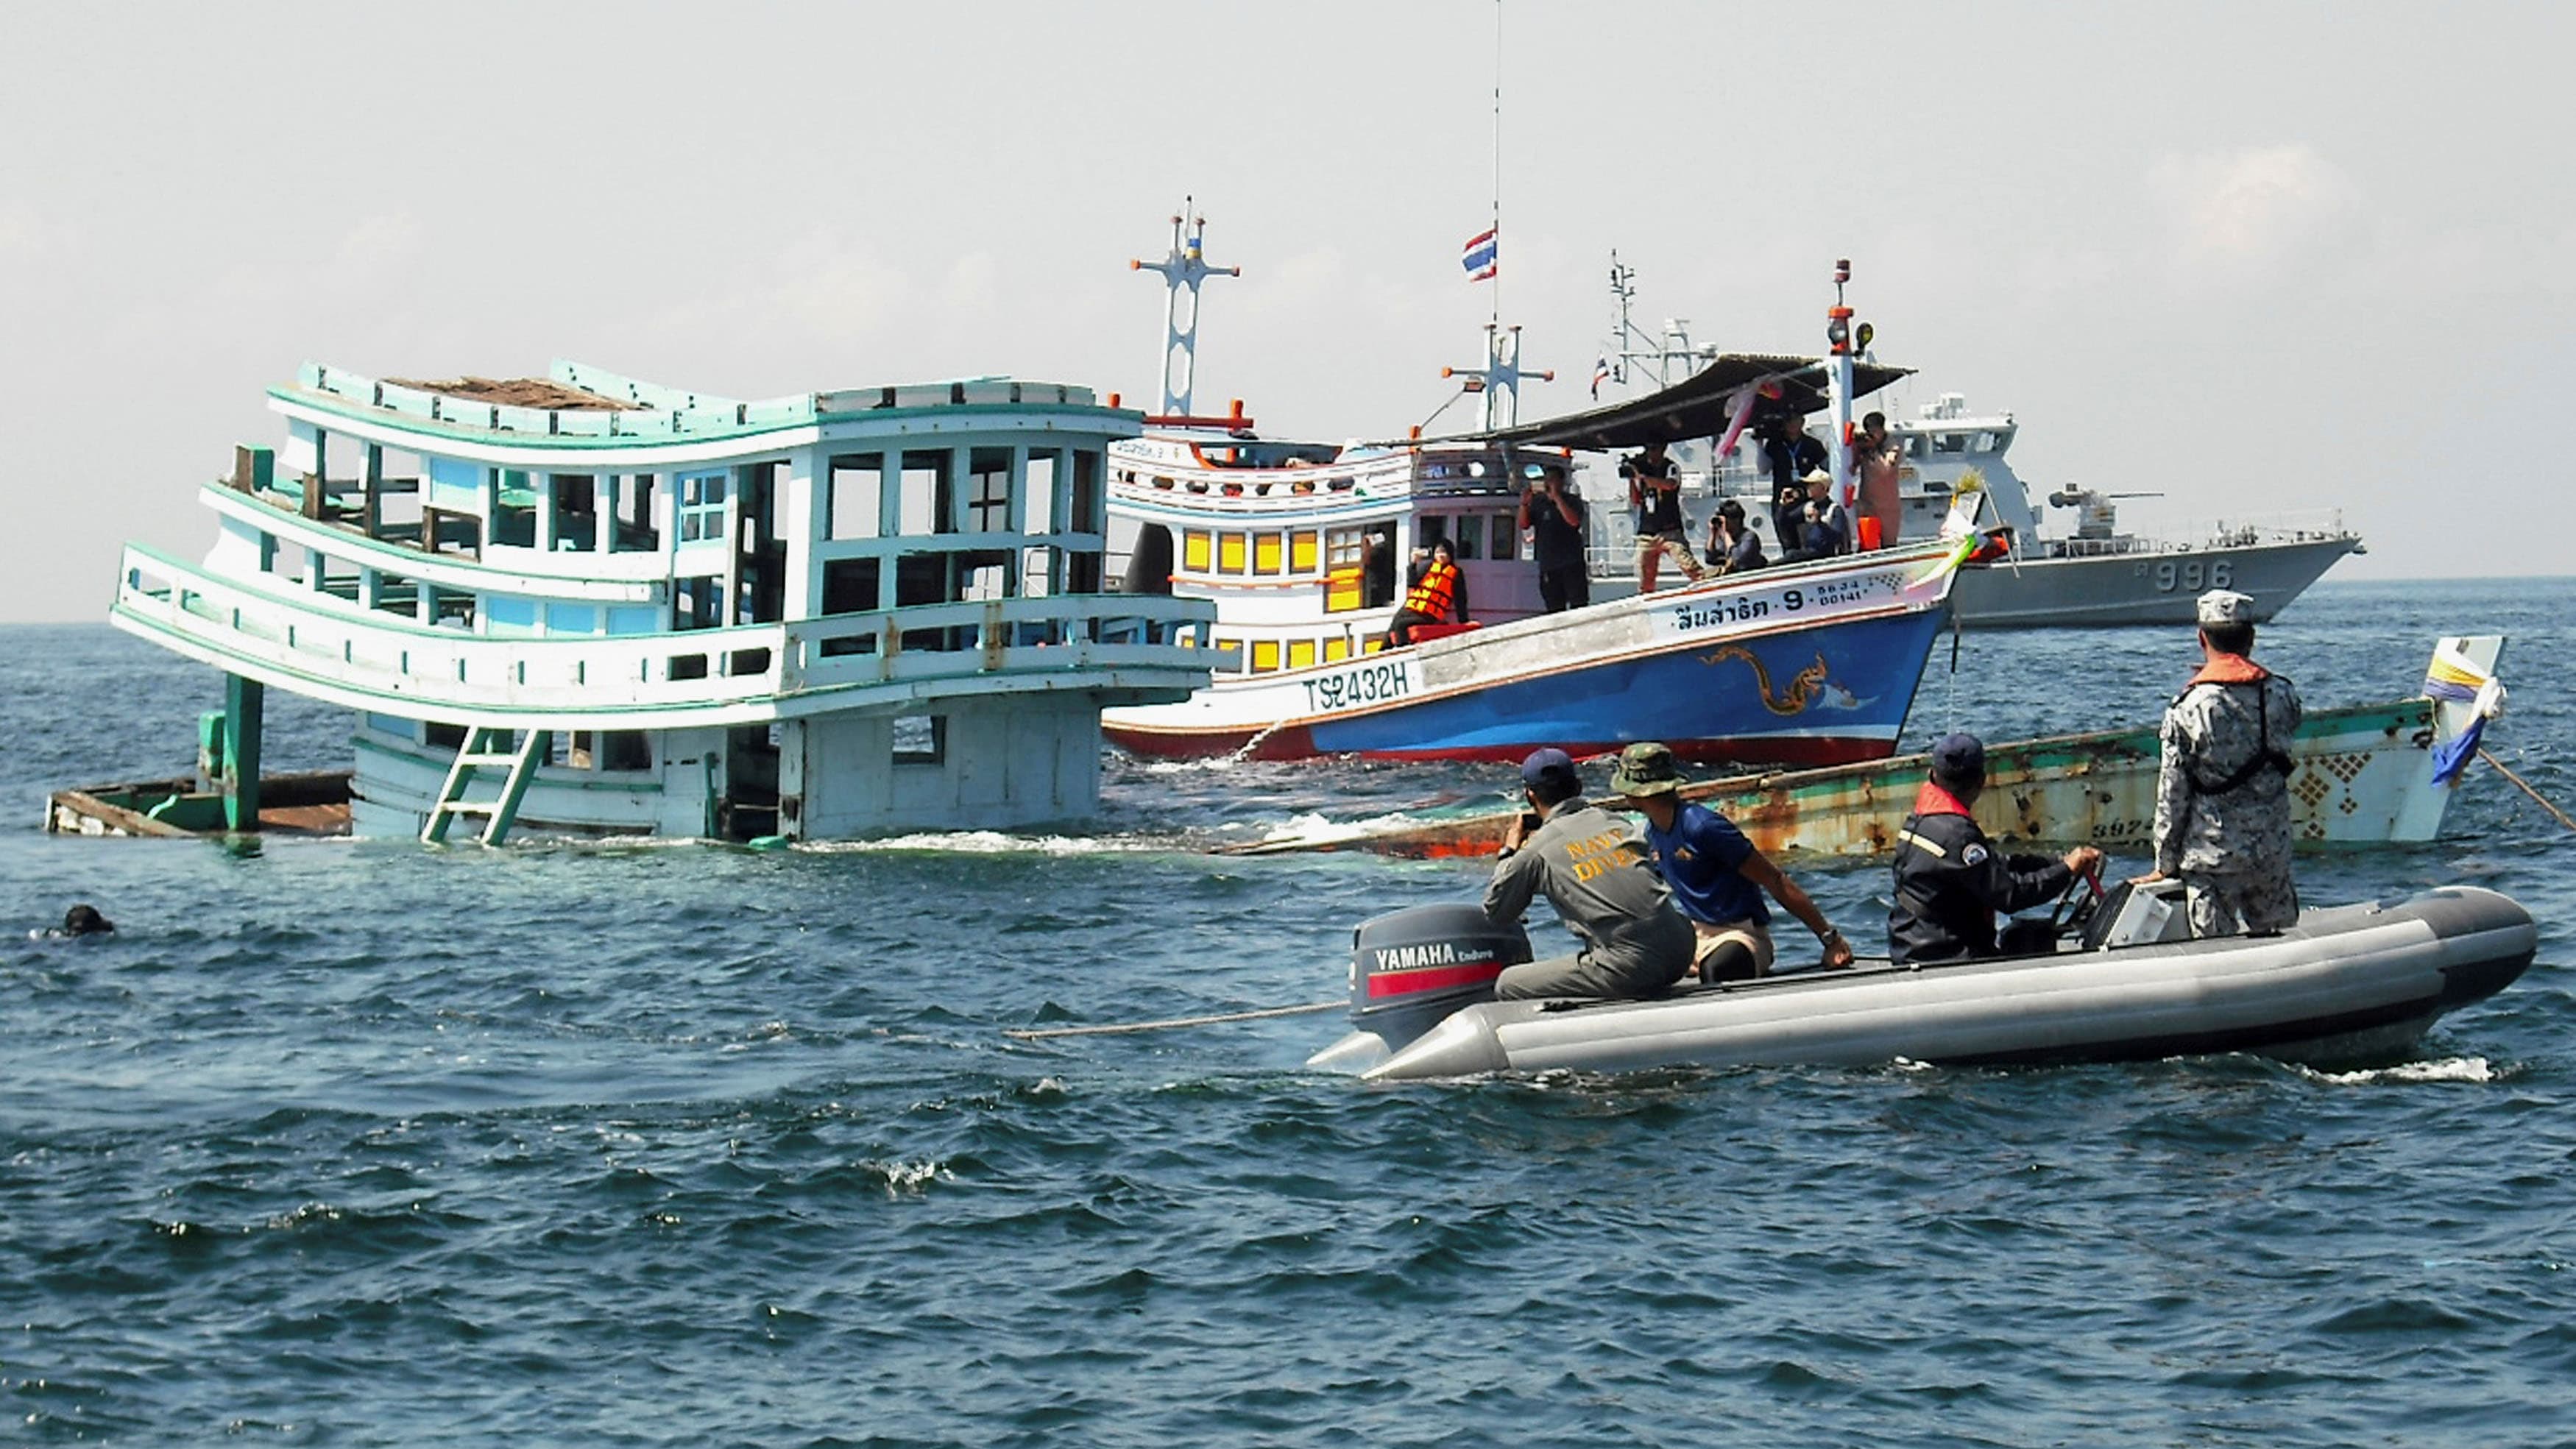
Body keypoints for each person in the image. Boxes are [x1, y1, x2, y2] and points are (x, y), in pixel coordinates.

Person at [1610, 741, 1854, 982]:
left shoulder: (1703, 827)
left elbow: (1774, 879)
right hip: (1694, 936)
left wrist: (1830, 940)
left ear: (1635, 792)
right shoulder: (1653, 833)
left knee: (1716, 971)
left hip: (1740, 934)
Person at [2136, 589, 2303, 936]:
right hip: (2271, 850)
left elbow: (2173, 793)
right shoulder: (2282, 694)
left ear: (2202, 638)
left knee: (2215, 949)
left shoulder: (2189, 707)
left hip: (2212, 856)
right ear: (2251, 638)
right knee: (2280, 943)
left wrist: (2165, 863)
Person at [1485, 748, 1696, 1000]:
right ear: (1578, 786)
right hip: (1683, 948)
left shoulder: (1535, 851)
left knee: (1508, 983)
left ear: (1530, 795)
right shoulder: (1615, 822)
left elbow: (1497, 912)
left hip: (1632, 967)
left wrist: (1509, 852)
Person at [1888, 732, 2103, 966]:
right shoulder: (1958, 834)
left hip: (1911, 945)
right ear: (1981, 782)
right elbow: (2010, 895)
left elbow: (1996, 865)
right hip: (1944, 956)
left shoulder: (1922, 820)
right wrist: (2067, 870)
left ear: (1932, 774)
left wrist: (2059, 862)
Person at [1623, 440, 1707, 591]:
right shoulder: (1643, 471)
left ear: (1663, 449)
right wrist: (1632, 479)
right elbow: (1635, 500)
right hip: (1647, 532)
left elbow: (1670, 484)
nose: (1650, 453)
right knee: (1645, 578)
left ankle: (1708, 588)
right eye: (1647, 449)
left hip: (1670, 531)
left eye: (1653, 448)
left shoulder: (1671, 467)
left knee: (1690, 567)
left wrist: (1643, 478)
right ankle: (1647, 600)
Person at [1516, 463, 1590, 612]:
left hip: (1571, 561)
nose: (1548, 483)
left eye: (1552, 479)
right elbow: (1524, 525)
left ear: (1561, 481)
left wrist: (1557, 498)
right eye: (1546, 480)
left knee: (1578, 603)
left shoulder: (1572, 501)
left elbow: (1574, 522)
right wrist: (1524, 505)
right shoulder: (1538, 502)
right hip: (1549, 563)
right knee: (1554, 606)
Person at [1382, 536, 1467, 649]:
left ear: (1450, 555)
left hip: (1430, 615)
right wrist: (1413, 564)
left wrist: (1464, 622)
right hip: (1413, 608)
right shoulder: (1428, 567)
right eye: (1438, 552)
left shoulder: (1456, 573)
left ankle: (1404, 650)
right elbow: (1413, 583)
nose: (1441, 556)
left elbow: (1461, 599)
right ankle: (1382, 651)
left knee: (1401, 625)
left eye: (1444, 552)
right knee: (1394, 623)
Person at [1764, 414, 1827, 550]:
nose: (1792, 424)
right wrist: (1759, 444)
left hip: (1805, 500)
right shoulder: (1775, 444)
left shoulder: (1813, 444)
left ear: (1802, 422)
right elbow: (1763, 469)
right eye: (1788, 420)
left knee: (1807, 542)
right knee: (1787, 543)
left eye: (1795, 419)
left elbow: (1828, 468)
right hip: (1782, 501)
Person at [1850, 410, 1901, 550]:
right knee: (1867, 544)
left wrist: (1873, 451)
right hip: (1867, 503)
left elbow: (1885, 470)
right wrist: (1857, 447)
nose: (1871, 435)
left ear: (1881, 429)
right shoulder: (1865, 445)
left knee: (1889, 545)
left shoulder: (1892, 448)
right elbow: (1852, 468)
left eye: (1874, 432)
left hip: (1888, 506)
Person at [1783, 470, 1850, 561]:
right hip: (1809, 554)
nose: (1808, 487)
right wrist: (1784, 506)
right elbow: (1786, 522)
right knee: (1791, 553)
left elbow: (1838, 538)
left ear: (1823, 487)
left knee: (1792, 555)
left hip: (1827, 558)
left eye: (1812, 484)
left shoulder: (1835, 510)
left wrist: (1819, 522)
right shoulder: (1808, 506)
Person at [1705, 498, 1766, 575]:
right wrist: (1713, 534)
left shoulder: (1749, 537)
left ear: (1736, 519)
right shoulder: (1723, 539)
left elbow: (1737, 559)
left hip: (1751, 576)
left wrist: (1726, 533)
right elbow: (1710, 559)